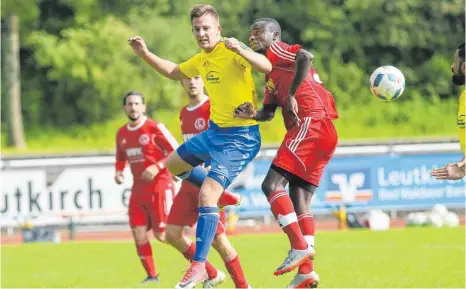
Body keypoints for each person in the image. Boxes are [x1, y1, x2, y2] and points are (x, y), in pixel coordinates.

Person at [128, 4, 271, 288]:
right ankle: (225, 197)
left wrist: (242, 50)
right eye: (197, 29)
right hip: (215, 133)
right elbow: (173, 71)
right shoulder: (201, 61)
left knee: (207, 197)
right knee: (173, 165)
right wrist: (145, 54)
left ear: (218, 29)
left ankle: (198, 267)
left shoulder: (233, 49)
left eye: (207, 28)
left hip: (240, 136)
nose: (202, 33)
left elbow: (266, 66)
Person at [234, 18, 339, 288]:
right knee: (299, 197)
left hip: (310, 123)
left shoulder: (278, 51)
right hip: (322, 130)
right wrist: (252, 114)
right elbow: (269, 112)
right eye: (250, 33)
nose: (253, 36)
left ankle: (299, 246)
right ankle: (306, 272)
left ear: (275, 35)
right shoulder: (270, 73)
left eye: (259, 32)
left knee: (271, 185)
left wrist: (292, 93)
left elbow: (305, 55)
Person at [165, 76, 250, 288]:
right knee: (172, 234)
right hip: (189, 183)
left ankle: (243, 286)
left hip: (210, 183)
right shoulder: (184, 112)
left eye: (196, 77)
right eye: (186, 79)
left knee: (218, 241)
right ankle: (212, 274)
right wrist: (179, 166)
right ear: (182, 84)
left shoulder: (214, 106)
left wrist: (217, 163)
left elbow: (230, 137)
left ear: (204, 81)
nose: (192, 82)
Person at [114, 91, 179, 284]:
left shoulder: (154, 127)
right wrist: (118, 172)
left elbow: (176, 150)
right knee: (138, 233)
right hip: (138, 190)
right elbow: (120, 158)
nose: (133, 107)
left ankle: (200, 262)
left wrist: (157, 166)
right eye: (129, 104)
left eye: (136, 104)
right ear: (124, 108)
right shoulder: (122, 133)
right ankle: (152, 277)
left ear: (144, 107)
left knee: (162, 235)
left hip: (160, 185)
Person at [431, 43, 465, 180]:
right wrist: (462, 164)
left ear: (464, 67)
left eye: (455, 62)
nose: (452, 67)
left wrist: (463, 170)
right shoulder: (464, 97)